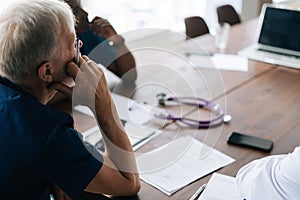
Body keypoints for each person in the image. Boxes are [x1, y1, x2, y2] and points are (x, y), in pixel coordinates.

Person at [0, 0, 140, 199]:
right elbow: (129, 183)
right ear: (47, 70)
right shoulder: (48, 134)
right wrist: (103, 104)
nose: (80, 45)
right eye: (73, 43)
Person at [65, 0, 137, 83]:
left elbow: (130, 76)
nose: (85, 13)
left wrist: (116, 41)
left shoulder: (87, 36)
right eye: (75, 10)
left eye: (81, 6)